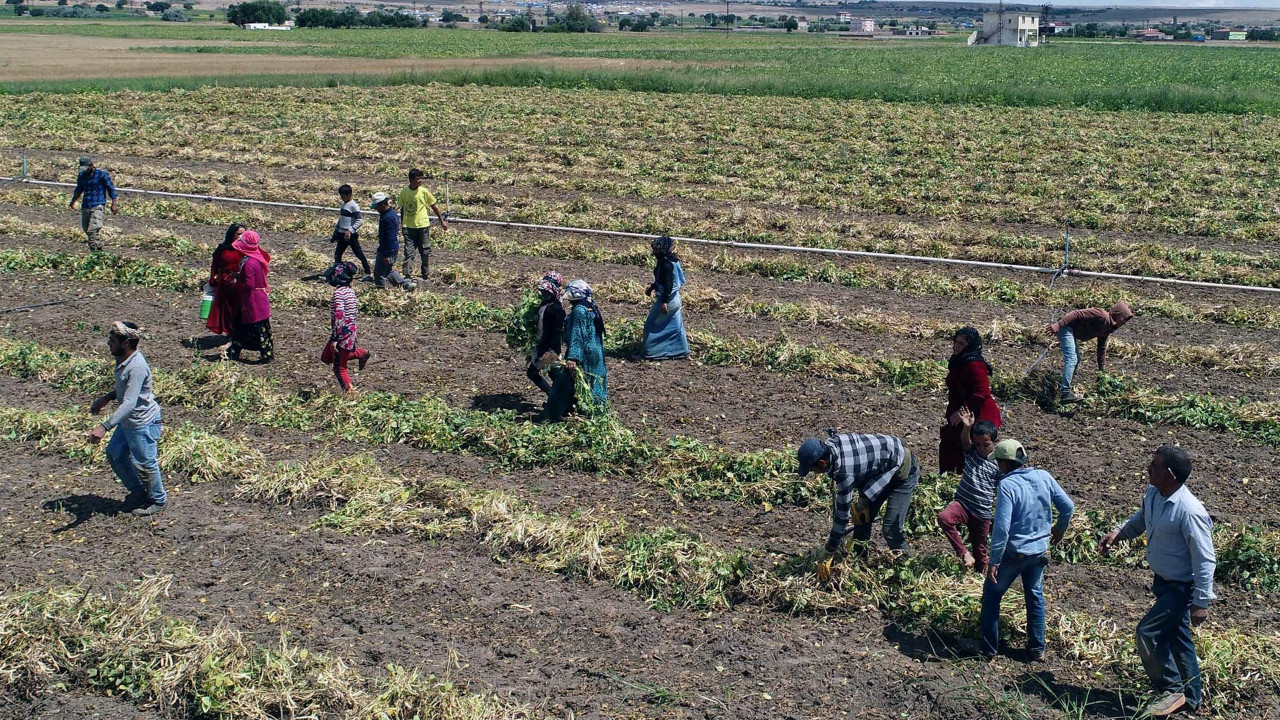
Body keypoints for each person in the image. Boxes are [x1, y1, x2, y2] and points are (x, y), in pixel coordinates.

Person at [1099, 446, 1215, 718]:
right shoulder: (1154, 493)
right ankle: (1191, 699)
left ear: (1171, 475)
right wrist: (1118, 533)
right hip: (1163, 582)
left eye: (1155, 465)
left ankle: (1171, 688)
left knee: (1147, 633)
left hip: (1181, 587)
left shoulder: (1190, 511)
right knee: (1178, 638)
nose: (1149, 468)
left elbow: (1205, 560)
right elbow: (1142, 519)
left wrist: (1201, 601)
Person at [970, 439, 1074, 660]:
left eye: (998, 462)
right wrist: (1059, 529)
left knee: (991, 595)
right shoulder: (1044, 476)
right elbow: (1068, 507)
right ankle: (1037, 648)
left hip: (1014, 553)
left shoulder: (1007, 485)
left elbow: (1001, 527)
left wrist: (994, 561)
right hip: (1039, 551)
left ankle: (988, 648)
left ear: (1004, 464)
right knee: (1034, 595)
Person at [796, 430, 920, 580]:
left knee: (890, 528)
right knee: (861, 519)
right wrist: (863, 499)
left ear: (822, 463)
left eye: (812, 469)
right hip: (881, 469)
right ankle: (861, 566)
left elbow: (842, 519)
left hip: (902, 470)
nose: (813, 473)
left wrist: (829, 551)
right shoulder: (830, 444)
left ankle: (909, 570)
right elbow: (864, 467)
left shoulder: (844, 473)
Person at [86, 321, 166, 516]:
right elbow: (125, 389)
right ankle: (138, 492)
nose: (108, 344)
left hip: (142, 422)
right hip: (128, 421)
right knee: (115, 453)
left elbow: (130, 403)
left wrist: (104, 427)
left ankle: (158, 499)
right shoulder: (123, 359)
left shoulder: (137, 367)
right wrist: (106, 398)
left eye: (112, 340)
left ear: (127, 343)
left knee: (145, 462)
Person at [936, 407, 1000, 573]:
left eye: (986, 445)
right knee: (944, 518)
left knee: (980, 549)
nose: (981, 448)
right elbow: (965, 442)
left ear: (995, 443)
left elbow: (1004, 488)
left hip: (982, 513)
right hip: (963, 504)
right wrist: (967, 427)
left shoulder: (999, 464)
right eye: (978, 444)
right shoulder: (972, 453)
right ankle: (963, 552)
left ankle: (981, 576)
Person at [940, 326, 1002, 474]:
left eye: (961, 343)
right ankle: (952, 476)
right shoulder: (960, 360)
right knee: (951, 444)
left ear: (970, 346)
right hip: (964, 410)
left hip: (978, 413)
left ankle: (968, 478)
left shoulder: (975, 365)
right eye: (956, 341)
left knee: (970, 449)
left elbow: (982, 393)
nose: (956, 346)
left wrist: (960, 412)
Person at [1045, 301, 1134, 404]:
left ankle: (1065, 387)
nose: (1123, 323)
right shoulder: (1101, 315)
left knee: (1077, 359)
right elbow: (1076, 314)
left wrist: (1102, 370)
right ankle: (1065, 393)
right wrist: (1058, 325)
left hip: (1072, 331)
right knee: (1072, 359)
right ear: (1118, 316)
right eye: (1123, 319)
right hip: (1066, 328)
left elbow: (1101, 348)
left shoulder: (1107, 328)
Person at [323, 261, 371, 392]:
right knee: (326, 357)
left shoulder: (338, 294)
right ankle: (361, 353)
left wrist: (335, 339)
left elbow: (339, 316)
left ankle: (351, 394)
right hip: (349, 331)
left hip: (342, 334)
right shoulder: (350, 291)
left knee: (340, 369)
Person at [228, 230, 273, 363]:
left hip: (253, 302)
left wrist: (236, 283)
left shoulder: (248, 264)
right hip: (258, 300)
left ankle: (265, 355)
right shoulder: (255, 259)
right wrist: (238, 275)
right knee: (251, 327)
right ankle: (234, 351)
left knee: (254, 328)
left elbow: (249, 285)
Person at [642, 235, 690, 360]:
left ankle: (652, 352)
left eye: (655, 250)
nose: (653, 252)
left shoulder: (665, 264)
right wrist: (652, 287)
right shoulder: (672, 260)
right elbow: (665, 280)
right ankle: (680, 350)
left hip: (668, 300)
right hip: (675, 298)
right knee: (675, 324)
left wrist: (664, 302)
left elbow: (668, 284)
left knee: (652, 325)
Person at [397, 168, 449, 280]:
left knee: (425, 251)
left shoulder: (424, 191)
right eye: (417, 179)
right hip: (409, 227)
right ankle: (407, 274)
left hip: (423, 226)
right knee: (409, 252)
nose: (420, 181)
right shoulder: (404, 192)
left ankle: (425, 274)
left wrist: (442, 221)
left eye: (421, 178)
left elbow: (433, 205)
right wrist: (402, 224)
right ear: (411, 180)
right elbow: (402, 208)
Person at [563, 279, 607, 410]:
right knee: (596, 380)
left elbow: (578, 333)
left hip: (586, 351)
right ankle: (598, 408)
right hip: (596, 349)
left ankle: (592, 409)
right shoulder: (590, 305)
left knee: (589, 381)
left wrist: (573, 357)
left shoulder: (579, 311)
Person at [526, 272, 566, 395]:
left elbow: (554, 334)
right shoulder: (546, 305)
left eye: (546, 292)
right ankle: (557, 398)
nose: (543, 294)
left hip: (550, 349)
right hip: (545, 347)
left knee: (535, 373)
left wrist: (543, 351)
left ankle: (555, 397)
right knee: (553, 374)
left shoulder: (556, 309)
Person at [68, 156, 118, 253]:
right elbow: (79, 189)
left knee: (93, 229)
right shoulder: (82, 175)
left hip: (98, 204)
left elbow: (111, 189)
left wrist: (114, 203)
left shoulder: (102, 175)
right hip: (86, 204)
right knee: (86, 229)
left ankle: (94, 252)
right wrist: (72, 201)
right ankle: (99, 248)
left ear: (91, 165)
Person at [206, 223, 245, 341]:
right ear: (231, 234)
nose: (241, 237)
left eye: (244, 234)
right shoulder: (222, 249)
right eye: (238, 234)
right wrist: (213, 281)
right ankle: (231, 334)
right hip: (226, 284)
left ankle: (239, 334)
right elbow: (215, 266)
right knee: (228, 310)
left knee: (241, 310)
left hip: (242, 283)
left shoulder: (247, 249)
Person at [371, 192, 416, 291]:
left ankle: (380, 291)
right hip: (391, 248)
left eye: (376, 207)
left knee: (379, 273)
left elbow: (390, 237)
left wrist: (386, 255)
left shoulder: (387, 218)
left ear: (382, 205)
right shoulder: (390, 214)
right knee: (387, 270)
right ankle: (405, 285)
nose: (375, 209)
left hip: (387, 249)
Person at [332, 184, 371, 276]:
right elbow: (341, 219)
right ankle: (337, 271)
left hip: (350, 236)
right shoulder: (343, 205)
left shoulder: (354, 206)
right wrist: (336, 230)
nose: (341, 198)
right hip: (342, 234)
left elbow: (359, 221)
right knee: (338, 254)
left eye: (343, 196)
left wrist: (350, 230)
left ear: (349, 195)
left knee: (358, 253)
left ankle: (367, 272)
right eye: (341, 195)